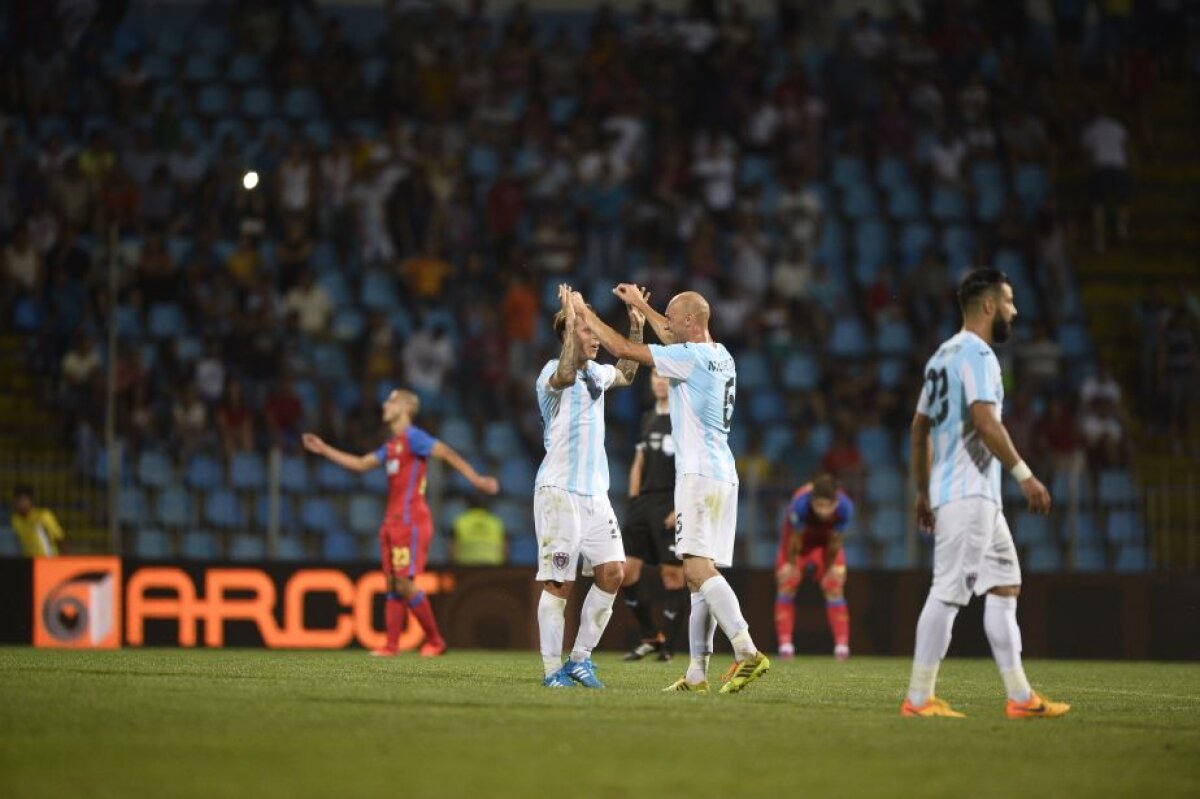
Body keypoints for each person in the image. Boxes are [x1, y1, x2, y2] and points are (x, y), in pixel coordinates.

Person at [575, 285, 770, 695]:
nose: (665, 324)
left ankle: (747, 649)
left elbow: (625, 351)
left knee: (697, 570)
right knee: (698, 577)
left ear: (688, 322)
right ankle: (698, 673)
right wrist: (640, 306)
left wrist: (585, 315)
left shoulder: (690, 358)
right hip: (723, 474)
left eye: (670, 317)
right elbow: (669, 335)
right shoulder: (720, 355)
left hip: (698, 476)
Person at [902, 268, 1069, 719]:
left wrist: (923, 489)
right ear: (990, 306)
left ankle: (1020, 697)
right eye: (1010, 301)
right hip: (970, 494)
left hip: (965, 495)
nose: (1015, 310)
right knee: (947, 593)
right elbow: (985, 421)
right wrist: (1025, 475)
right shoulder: (979, 355)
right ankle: (918, 700)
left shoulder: (941, 356)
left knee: (1005, 584)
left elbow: (920, 429)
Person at [302, 389, 499, 657]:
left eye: (392, 401)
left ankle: (435, 640)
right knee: (393, 583)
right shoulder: (392, 445)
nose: (385, 404)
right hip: (392, 521)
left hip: (410, 520)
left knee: (405, 583)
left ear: (406, 408)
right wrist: (324, 449)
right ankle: (391, 645)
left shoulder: (414, 438)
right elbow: (361, 464)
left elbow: (446, 452)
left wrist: (476, 480)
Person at [533, 284, 642, 689]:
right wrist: (570, 321)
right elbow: (565, 373)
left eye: (596, 331)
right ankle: (550, 672)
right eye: (586, 331)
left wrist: (635, 329)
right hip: (559, 491)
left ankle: (580, 659)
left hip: (596, 495)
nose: (595, 338)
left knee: (614, 571)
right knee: (560, 582)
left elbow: (628, 373)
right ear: (567, 335)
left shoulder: (597, 372)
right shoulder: (550, 372)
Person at [620, 369, 688, 663]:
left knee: (673, 576)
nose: (659, 382)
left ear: (673, 382)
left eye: (664, 377)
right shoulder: (648, 417)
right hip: (643, 505)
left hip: (669, 502)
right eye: (655, 378)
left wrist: (680, 505)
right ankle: (651, 636)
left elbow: (690, 464)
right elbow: (639, 460)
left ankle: (669, 649)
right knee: (625, 573)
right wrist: (634, 499)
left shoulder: (684, 417)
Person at [774, 474, 855, 661]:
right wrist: (792, 565)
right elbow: (795, 540)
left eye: (828, 506)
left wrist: (829, 568)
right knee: (787, 582)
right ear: (812, 500)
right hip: (798, 543)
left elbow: (835, 541)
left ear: (836, 502)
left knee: (834, 585)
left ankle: (842, 648)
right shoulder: (800, 504)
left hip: (825, 543)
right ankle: (786, 647)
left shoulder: (846, 507)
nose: (823, 511)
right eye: (818, 505)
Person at [9, 485, 65, 557]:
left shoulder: (43, 516)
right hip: (30, 562)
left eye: (23, 500)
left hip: (48, 560)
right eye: (17, 501)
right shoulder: (15, 520)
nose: (20, 504)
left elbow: (59, 539)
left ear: (31, 501)